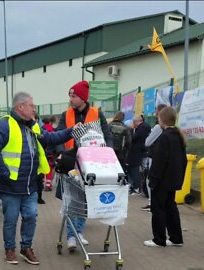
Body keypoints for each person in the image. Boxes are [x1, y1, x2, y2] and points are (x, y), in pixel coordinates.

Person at [0, 92, 76, 265]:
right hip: (11, 186)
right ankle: (10, 249)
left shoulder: (33, 126)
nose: (34, 109)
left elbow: (50, 138)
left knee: (31, 216)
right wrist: (5, 174)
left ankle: (26, 247)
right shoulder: (4, 125)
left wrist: (72, 131)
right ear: (21, 107)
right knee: (11, 219)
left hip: (30, 185)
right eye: (32, 106)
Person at [56, 80, 113, 251]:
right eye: (70, 96)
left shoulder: (97, 114)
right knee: (72, 200)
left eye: (73, 96)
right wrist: (60, 152)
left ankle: (79, 231)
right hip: (70, 162)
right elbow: (59, 136)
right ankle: (71, 236)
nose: (71, 99)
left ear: (83, 98)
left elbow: (107, 134)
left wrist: (108, 152)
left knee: (85, 201)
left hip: (90, 163)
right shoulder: (66, 115)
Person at [143, 106, 187, 247]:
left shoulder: (164, 138)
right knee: (170, 208)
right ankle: (176, 237)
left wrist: (153, 180)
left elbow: (159, 162)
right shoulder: (178, 137)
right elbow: (183, 160)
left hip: (161, 181)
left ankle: (159, 239)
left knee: (158, 209)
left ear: (162, 119)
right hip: (172, 180)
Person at [141, 103, 167, 211]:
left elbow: (147, 142)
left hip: (154, 156)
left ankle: (152, 203)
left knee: (150, 179)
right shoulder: (171, 129)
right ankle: (155, 203)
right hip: (163, 156)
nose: (155, 112)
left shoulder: (158, 127)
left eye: (156, 109)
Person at [125, 115, 151, 195]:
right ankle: (135, 187)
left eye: (134, 122)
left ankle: (136, 188)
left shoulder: (142, 128)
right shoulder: (142, 128)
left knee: (136, 170)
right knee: (133, 169)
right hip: (138, 152)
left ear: (137, 121)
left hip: (139, 153)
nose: (133, 124)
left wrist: (131, 129)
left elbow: (133, 138)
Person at [42, 116, 56, 192]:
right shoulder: (52, 131)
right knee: (49, 170)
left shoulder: (40, 130)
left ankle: (41, 184)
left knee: (41, 170)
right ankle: (48, 185)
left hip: (42, 153)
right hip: (50, 154)